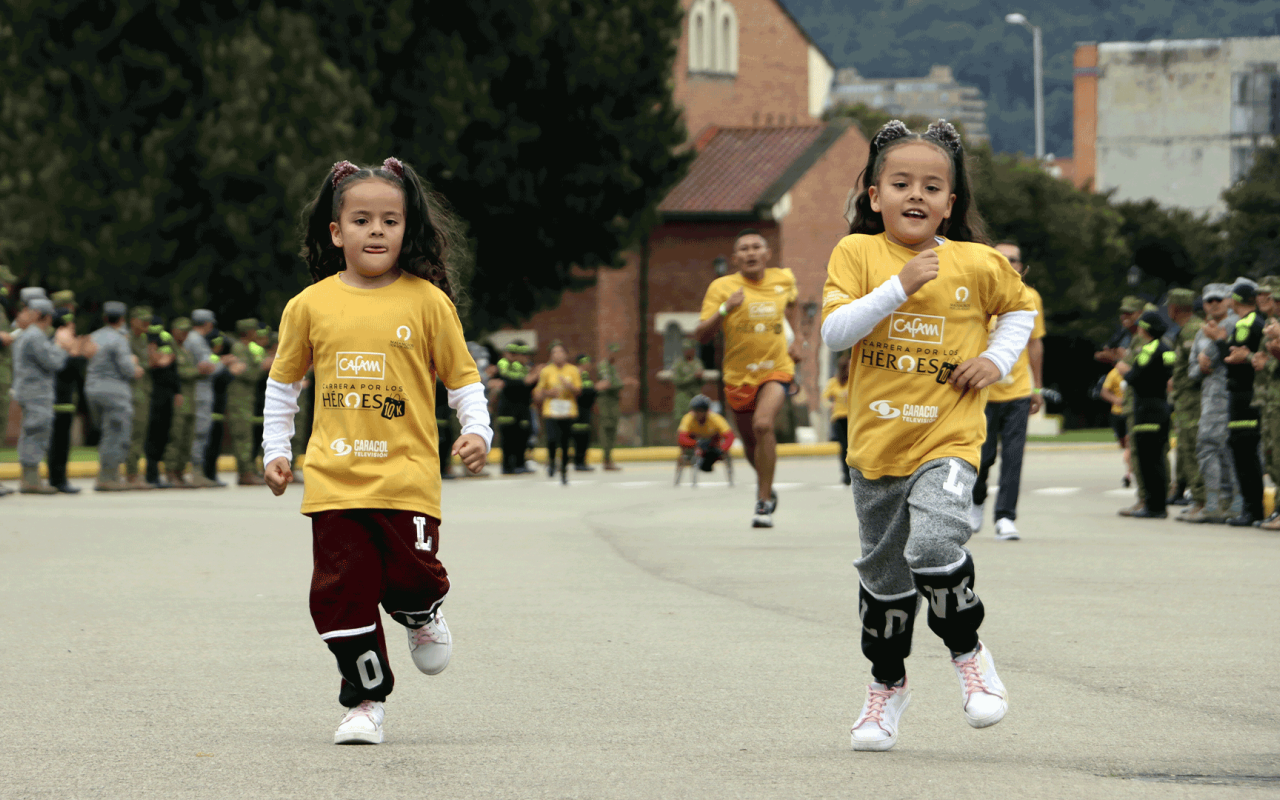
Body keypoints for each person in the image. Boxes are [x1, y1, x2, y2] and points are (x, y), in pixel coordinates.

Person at [820, 119, 1035, 751]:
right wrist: (899, 285)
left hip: (948, 437)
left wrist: (995, 360)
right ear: (874, 194)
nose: (916, 194)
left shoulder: (977, 262)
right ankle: (887, 686)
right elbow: (835, 332)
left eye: (932, 186)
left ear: (950, 202)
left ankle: (970, 656)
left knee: (936, 542)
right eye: (901, 183)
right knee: (886, 585)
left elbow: (1020, 308)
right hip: (875, 448)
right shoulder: (855, 254)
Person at [262, 157, 491, 745]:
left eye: (390, 220)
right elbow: (284, 384)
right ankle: (365, 702)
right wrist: (274, 450)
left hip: (407, 478)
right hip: (334, 479)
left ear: (406, 228)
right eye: (361, 220)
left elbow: (462, 377)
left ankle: (420, 610)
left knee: (411, 576)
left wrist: (478, 429)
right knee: (340, 593)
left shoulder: (428, 302)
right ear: (337, 232)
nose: (376, 230)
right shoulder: (308, 305)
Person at [695, 229, 802, 528]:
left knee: (763, 424)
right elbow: (701, 334)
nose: (751, 252)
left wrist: (796, 339)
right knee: (750, 442)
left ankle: (762, 502)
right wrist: (725, 308)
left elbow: (793, 304)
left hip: (776, 368)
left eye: (756, 247)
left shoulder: (783, 279)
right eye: (744, 249)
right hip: (739, 376)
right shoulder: (721, 287)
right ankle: (767, 484)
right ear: (735, 259)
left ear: (767, 254)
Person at [969, 242, 1045, 540]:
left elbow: (1034, 344)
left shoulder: (1030, 297)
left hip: (1018, 391)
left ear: (1021, 266)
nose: (1007, 263)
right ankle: (976, 501)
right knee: (982, 456)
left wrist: (1037, 386)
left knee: (1013, 458)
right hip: (983, 392)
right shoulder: (978, 291)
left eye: (1013, 259)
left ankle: (1005, 517)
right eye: (1001, 258)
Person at [1207, 280, 1267, 526]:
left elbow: (1232, 361)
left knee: (1244, 451)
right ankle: (1252, 509)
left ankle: (1252, 510)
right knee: (1244, 450)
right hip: (1248, 394)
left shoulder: (1246, 324)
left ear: (1236, 300)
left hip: (1244, 394)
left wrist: (1219, 340)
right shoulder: (1257, 321)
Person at [14, 297, 86, 493]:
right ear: (43, 315)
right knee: (36, 432)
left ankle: (30, 479)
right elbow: (53, 362)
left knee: (33, 432)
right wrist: (63, 346)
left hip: (33, 391)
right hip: (36, 392)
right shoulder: (35, 336)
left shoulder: (30, 334)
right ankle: (31, 481)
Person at [1184, 284, 1241, 524]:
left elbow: (1221, 355)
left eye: (1218, 299)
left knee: (1222, 449)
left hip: (1229, 395)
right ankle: (1217, 503)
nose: (1214, 304)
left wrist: (1207, 357)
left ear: (1228, 300)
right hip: (1209, 397)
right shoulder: (1201, 332)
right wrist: (1201, 364)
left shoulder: (1234, 324)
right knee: (1209, 447)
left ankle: (1229, 503)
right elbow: (1192, 370)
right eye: (1209, 300)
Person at [1115, 312, 1176, 518]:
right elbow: (1168, 373)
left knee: (1147, 460)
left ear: (1145, 329)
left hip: (1146, 411)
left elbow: (1137, 377)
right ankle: (1160, 504)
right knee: (1158, 458)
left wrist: (1124, 369)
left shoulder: (1147, 350)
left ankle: (1153, 506)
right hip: (1162, 407)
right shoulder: (1167, 349)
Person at [85, 301, 142, 491]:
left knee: (107, 433)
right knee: (116, 434)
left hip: (93, 389)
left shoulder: (94, 336)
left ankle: (108, 474)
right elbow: (127, 368)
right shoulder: (119, 339)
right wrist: (135, 365)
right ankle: (108, 477)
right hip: (115, 392)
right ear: (122, 319)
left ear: (104, 318)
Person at [1165, 289, 1204, 514]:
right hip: (1185, 399)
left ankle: (1201, 499)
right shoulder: (1185, 331)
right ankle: (1191, 495)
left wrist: (1180, 383)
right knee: (1186, 448)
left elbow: (1196, 368)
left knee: (1192, 447)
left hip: (1193, 400)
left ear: (1175, 308)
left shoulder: (1192, 331)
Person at [47, 294, 86, 493]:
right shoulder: (57, 344)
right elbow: (67, 370)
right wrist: (75, 352)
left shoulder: (61, 344)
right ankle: (57, 479)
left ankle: (59, 478)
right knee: (58, 440)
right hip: (57, 397)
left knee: (62, 440)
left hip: (65, 397)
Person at [534, 342, 581, 485]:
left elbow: (579, 391)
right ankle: (552, 462)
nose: (557, 355)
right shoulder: (546, 371)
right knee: (552, 439)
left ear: (566, 355)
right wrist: (549, 392)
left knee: (565, 442)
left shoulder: (573, 370)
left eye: (560, 352)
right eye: (554, 353)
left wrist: (569, 386)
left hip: (567, 411)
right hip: (551, 411)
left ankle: (564, 469)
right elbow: (538, 393)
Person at [162, 318, 200, 487]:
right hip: (178, 400)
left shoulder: (187, 350)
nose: (184, 334)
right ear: (173, 331)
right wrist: (198, 370)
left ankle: (181, 472)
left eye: (187, 331)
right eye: (181, 331)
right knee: (176, 437)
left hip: (190, 400)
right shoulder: (170, 349)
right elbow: (178, 372)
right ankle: (171, 472)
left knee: (187, 438)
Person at [186, 309, 222, 488]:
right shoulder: (197, 340)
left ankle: (196, 473)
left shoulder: (192, 339)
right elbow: (209, 367)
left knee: (199, 432)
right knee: (200, 432)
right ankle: (196, 474)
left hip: (199, 392)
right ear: (208, 324)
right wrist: (223, 363)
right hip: (200, 393)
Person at [227, 318, 265, 485]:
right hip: (239, 399)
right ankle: (245, 473)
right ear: (248, 332)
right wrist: (262, 368)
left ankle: (249, 470)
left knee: (248, 436)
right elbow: (246, 373)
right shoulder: (239, 348)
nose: (256, 333)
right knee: (243, 436)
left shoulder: (248, 348)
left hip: (247, 399)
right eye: (254, 330)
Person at [143, 315, 178, 488]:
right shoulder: (144, 339)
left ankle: (156, 474)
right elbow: (155, 362)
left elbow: (169, 362)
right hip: (151, 394)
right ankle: (151, 475)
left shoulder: (166, 338)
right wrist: (157, 355)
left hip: (167, 393)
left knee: (163, 434)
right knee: (152, 435)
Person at [124, 306, 154, 490]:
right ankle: (131, 474)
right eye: (142, 320)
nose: (146, 324)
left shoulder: (143, 339)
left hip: (143, 391)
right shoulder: (126, 339)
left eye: (148, 320)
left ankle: (133, 472)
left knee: (139, 434)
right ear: (133, 320)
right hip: (132, 392)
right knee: (133, 434)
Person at [675, 393, 735, 479]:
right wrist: (694, 445)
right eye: (696, 410)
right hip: (695, 445)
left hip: (712, 446)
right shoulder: (688, 418)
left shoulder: (716, 418)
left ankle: (728, 474)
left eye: (701, 410)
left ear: (707, 410)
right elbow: (681, 437)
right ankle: (678, 474)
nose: (698, 413)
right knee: (683, 452)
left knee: (725, 454)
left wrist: (724, 448)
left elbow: (729, 436)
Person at [595, 343, 631, 470]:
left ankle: (609, 458)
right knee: (607, 429)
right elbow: (608, 383)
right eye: (613, 352)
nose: (615, 355)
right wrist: (624, 383)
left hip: (614, 402)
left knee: (613, 430)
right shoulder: (604, 366)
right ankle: (606, 459)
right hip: (606, 402)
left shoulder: (613, 367)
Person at [1098, 365, 1131, 488]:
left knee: (1129, 444)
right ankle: (1130, 464)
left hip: (1130, 413)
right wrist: (1115, 399)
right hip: (1117, 414)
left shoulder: (1133, 371)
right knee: (1123, 444)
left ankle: (1128, 474)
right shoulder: (1113, 374)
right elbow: (1104, 391)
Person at [822, 352, 852, 484]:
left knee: (853, 447)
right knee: (844, 447)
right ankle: (846, 474)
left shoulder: (853, 380)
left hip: (852, 417)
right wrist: (830, 404)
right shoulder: (833, 382)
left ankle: (856, 473)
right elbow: (824, 398)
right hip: (839, 418)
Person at [667, 339, 706, 432]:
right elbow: (676, 381)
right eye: (685, 349)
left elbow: (703, 382)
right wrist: (693, 376)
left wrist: (700, 378)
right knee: (682, 426)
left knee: (697, 424)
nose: (687, 351)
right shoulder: (679, 364)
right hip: (683, 399)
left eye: (689, 349)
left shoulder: (697, 362)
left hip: (695, 398)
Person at [572, 354, 597, 471]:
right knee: (578, 436)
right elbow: (580, 393)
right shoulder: (576, 375)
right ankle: (578, 462)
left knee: (585, 437)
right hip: (577, 411)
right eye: (587, 362)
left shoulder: (586, 376)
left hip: (586, 410)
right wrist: (596, 389)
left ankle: (582, 462)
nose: (589, 365)